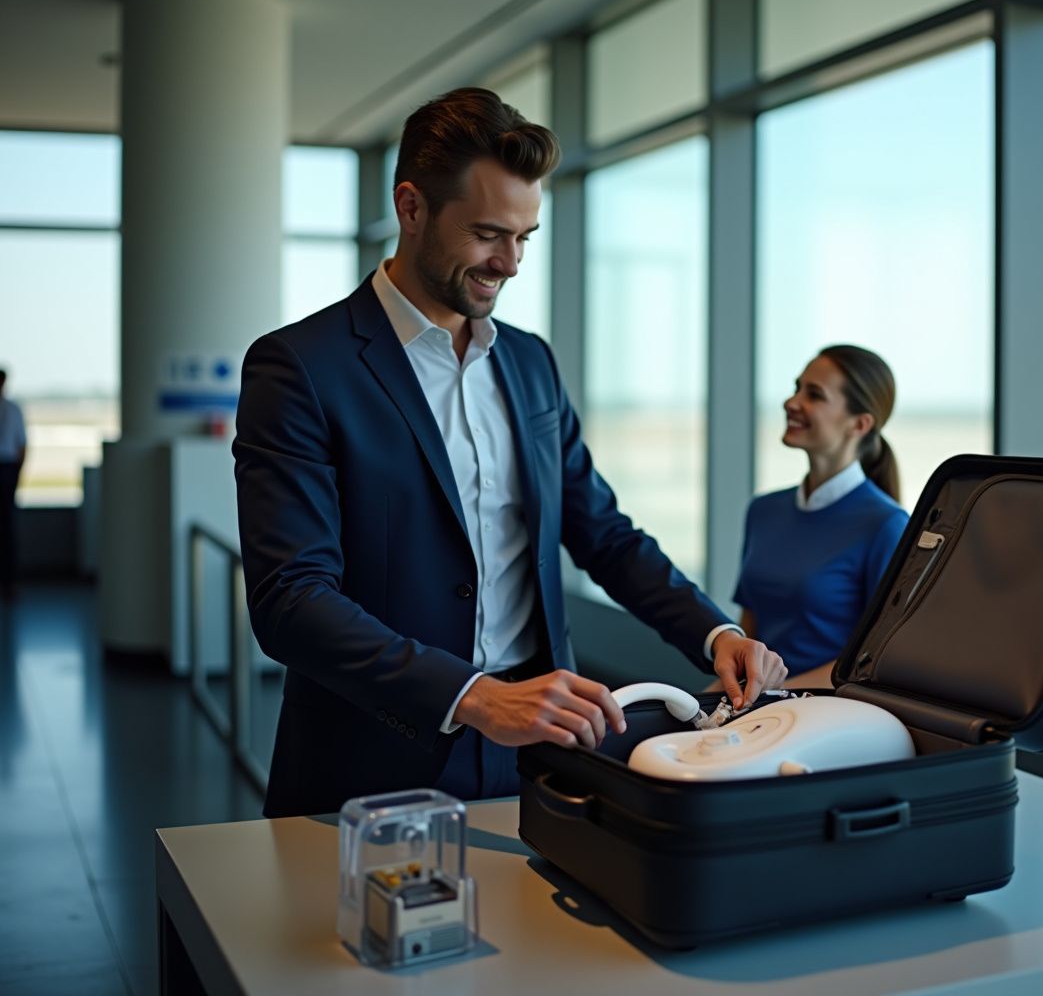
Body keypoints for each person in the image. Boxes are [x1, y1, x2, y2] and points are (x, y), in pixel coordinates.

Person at [234, 88, 785, 818]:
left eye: (526, 236)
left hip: (546, 753)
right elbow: (292, 601)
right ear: (411, 208)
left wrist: (713, 631)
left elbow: (603, 532)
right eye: (490, 234)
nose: (512, 262)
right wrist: (472, 697)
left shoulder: (529, 364)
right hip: (373, 760)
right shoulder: (301, 367)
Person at [732, 346, 909, 689]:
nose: (792, 402)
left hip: (825, 712)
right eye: (797, 387)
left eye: (814, 395)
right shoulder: (763, 511)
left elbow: (878, 663)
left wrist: (771, 695)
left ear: (859, 424)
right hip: (754, 704)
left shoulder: (887, 526)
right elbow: (749, 632)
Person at [0, 369, 25, 601]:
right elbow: (22, 445)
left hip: (7, 467)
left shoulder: (14, 409)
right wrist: (18, 473)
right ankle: (9, 583)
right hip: (7, 469)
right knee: (7, 527)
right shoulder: (13, 409)